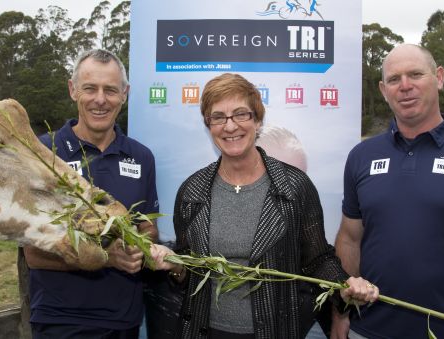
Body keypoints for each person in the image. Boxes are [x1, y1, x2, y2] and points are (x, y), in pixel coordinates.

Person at [150, 73, 379, 339]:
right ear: (208, 125)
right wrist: (173, 264)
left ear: (258, 121)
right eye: (218, 117)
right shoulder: (192, 191)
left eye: (241, 114)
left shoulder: (294, 186)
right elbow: (188, 270)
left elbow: (317, 260)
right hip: (205, 331)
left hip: (275, 331)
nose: (230, 126)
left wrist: (344, 283)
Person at [333, 43, 444, 339]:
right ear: (384, 90)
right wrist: (341, 312)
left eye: (415, 74)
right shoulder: (362, 156)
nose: (405, 86)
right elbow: (349, 238)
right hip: (368, 331)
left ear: (439, 77)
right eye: (394, 80)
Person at [23, 49, 159, 339]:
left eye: (110, 90)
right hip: (61, 321)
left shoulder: (141, 157)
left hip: (125, 321)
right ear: (73, 90)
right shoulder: (44, 153)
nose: (100, 99)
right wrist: (107, 258)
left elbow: (148, 227)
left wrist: (139, 247)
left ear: (125, 94)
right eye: (90, 88)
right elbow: (33, 253)